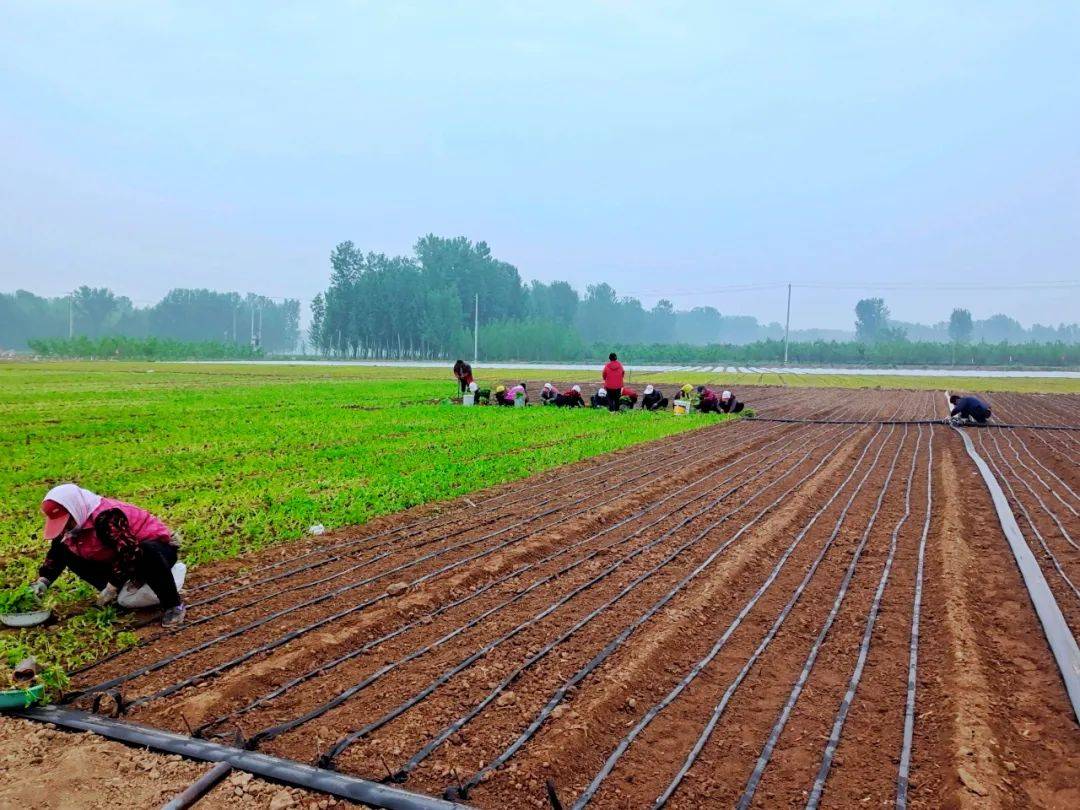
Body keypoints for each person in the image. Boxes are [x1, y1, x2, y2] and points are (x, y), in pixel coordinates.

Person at [30, 484, 187, 627]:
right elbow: (57, 552)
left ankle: (173, 605)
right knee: (67, 550)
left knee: (146, 550)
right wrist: (44, 581)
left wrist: (112, 586)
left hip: (155, 551)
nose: (65, 528)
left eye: (67, 522)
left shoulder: (107, 517)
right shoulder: (70, 528)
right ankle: (121, 591)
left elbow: (130, 551)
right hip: (118, 558)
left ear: (75, 509)